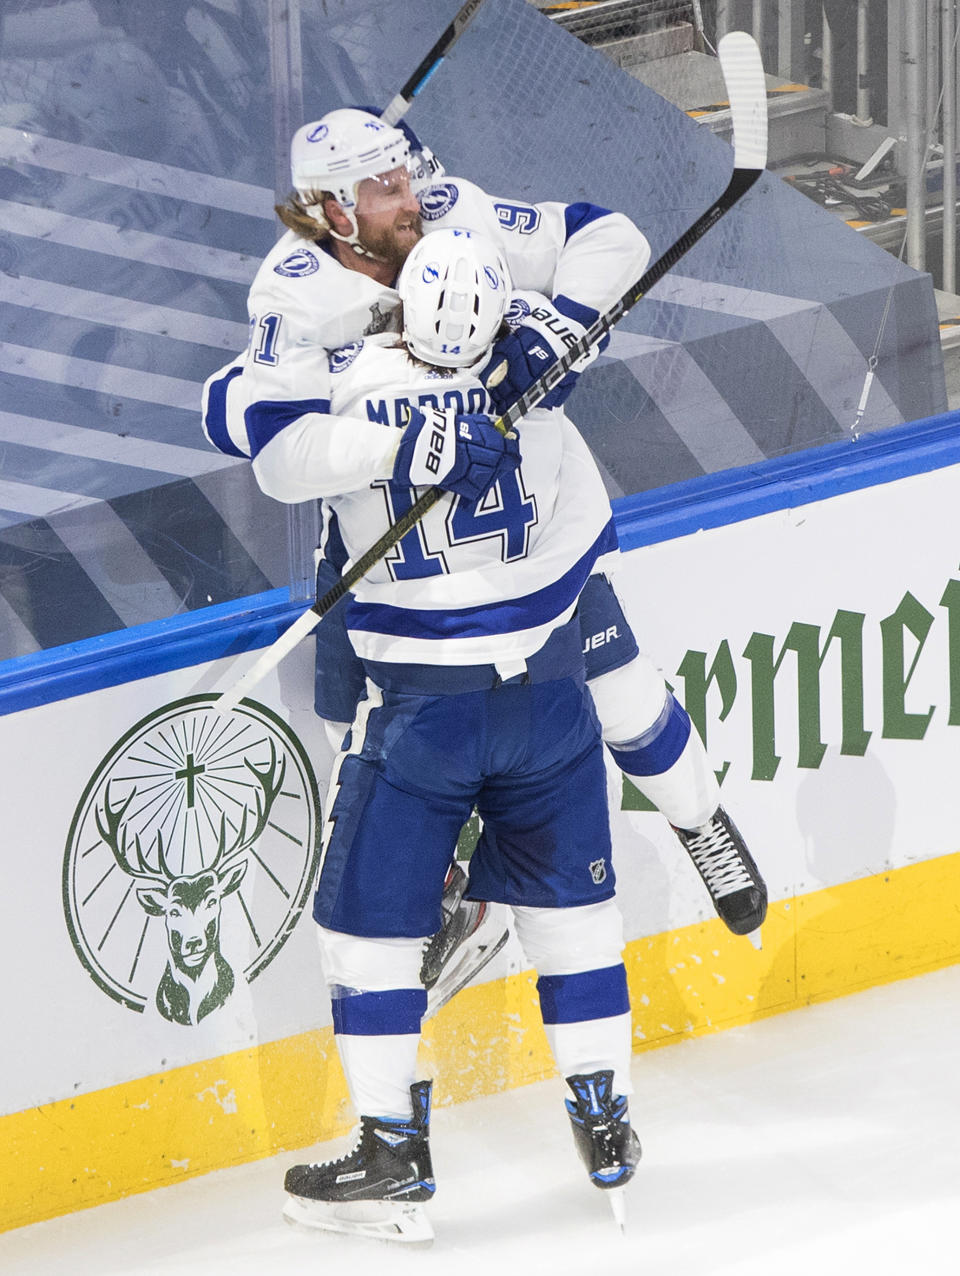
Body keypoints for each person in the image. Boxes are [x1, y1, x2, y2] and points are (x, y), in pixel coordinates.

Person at [201, 107, 767, 1015]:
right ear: (332, 212)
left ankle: (703, 822)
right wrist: (392, 446)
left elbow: (608, 237)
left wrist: (563, 323)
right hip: (398, 562)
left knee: (619, 694)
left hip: (532, 533)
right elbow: (261, 438)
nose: (408, 198)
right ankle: (450, 899)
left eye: (402, 177)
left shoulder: (452, 209)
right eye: (383, 187)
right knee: (369, 744)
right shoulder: (297, 290)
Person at [266, 227, 641, 1240]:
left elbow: (278, 465)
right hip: (550, 702)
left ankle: (392, 1149)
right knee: (576, 920)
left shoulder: (355, 393)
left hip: (424, 714)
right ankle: (605, 1119)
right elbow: (591, 535)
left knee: (364, 933)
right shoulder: (544, 400)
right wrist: (522, 614)